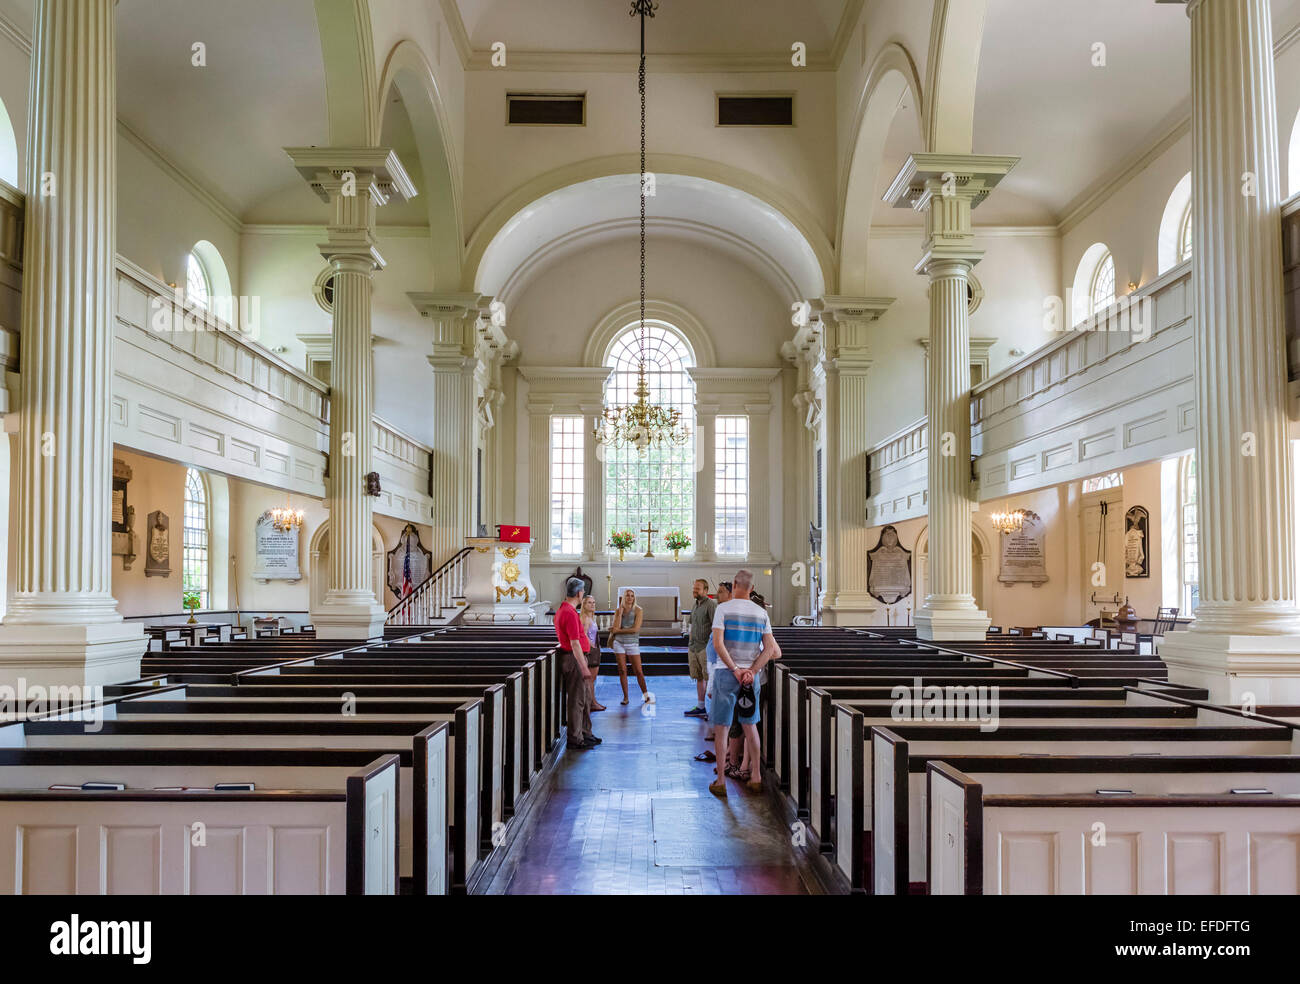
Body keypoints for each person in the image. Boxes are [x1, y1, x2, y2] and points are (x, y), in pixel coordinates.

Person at [707, 570, 777, 796]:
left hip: (726, 673)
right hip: (751, 677)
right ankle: (756, 776)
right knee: (750, 726)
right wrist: (752, 671)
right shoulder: (761, 613)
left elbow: (718, 644)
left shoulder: (723, 609)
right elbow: (769, 649)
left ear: (735, 584)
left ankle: (720, 781)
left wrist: (735, 669)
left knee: (722, 728)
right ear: (752, 588)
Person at [554, 577, 600, 750]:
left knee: (585, 698)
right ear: (580, 593)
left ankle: (585, 733)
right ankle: (575, 738)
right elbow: (574, 643)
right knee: (577, 700)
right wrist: (583, 667)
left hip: (576, 658)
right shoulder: (570, 613)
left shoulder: (564, 610)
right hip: (574, 660)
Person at [609, 588, 652, 705]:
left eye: (632, 596)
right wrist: (620, 614)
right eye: (627, 595)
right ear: (624, 597)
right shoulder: (618, 610)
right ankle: (626, 697)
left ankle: (646, 695)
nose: (630, 598)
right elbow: (615, 627)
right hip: (619, 643)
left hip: (632, 643)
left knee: (638, 671)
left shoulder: (638, 610)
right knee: (622, 670)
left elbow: (635, 629)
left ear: (634, 598)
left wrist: (619, 631)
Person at [684, 578, 716, 717]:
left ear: (706, 590)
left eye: (698, 589)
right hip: (694, 647)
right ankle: (701, 707)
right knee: (699, 677)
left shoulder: (711, 605)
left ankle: (714, 711)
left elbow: (716, 627)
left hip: (705, 647)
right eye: (694, 588)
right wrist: (690, 643)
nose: (694, 590)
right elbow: (692, 626)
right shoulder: (695, 605)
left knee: (710, 678)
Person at [580, 594, 606, 712]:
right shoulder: (585, 618)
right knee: (590, 679)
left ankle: (593, 702)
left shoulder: (590, 617)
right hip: (590, 650)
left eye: (593, 602)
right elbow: (584, 635)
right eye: (589, 602)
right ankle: (592, 703)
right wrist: (593, 646)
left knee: (592, 679)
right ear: (584, 605)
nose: (592, 605)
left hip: (594, 649)